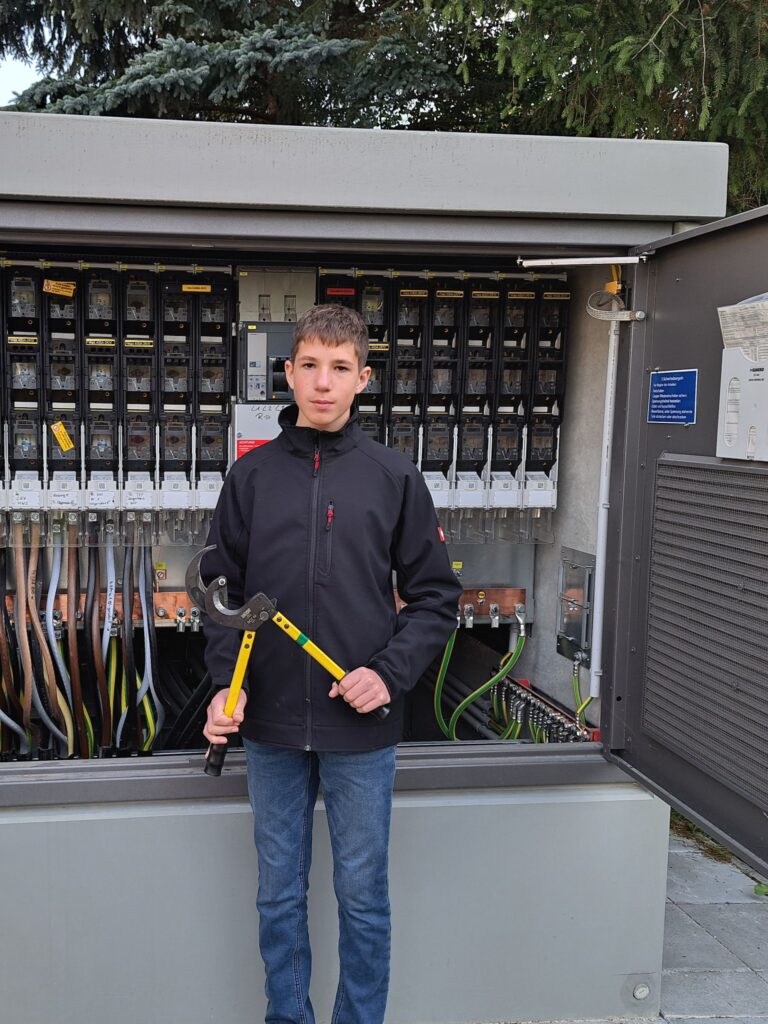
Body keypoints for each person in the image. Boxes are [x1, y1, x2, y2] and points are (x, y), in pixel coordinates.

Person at [201, 303, 461, 1024]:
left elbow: (437, 598)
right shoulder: (250, 477)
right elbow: (220, 594)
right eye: (310, 366)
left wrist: (389, 672)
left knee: (363, 898)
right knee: (278, 896)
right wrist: (225, 686)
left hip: (362, 729)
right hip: (271, 725)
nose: (323, 382)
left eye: (340, 368)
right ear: (287, 374)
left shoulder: (392, 476)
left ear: (363, 380)